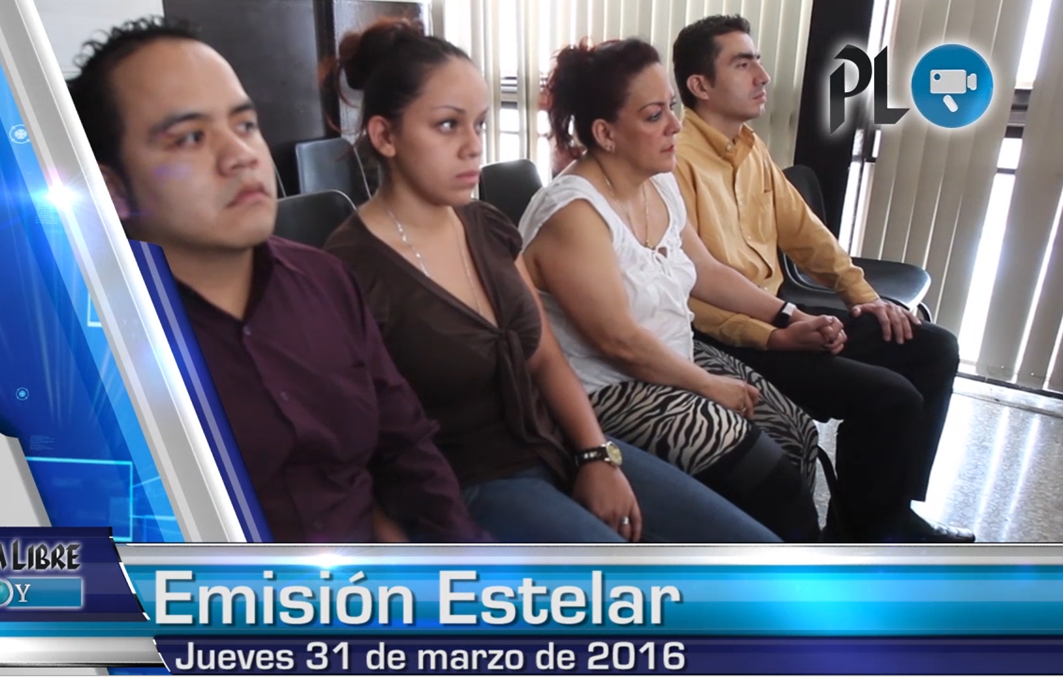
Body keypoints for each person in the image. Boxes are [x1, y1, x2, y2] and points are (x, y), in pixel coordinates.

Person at [319, 18, 780, 544]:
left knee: (757, 550)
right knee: (643, 582)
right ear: (385, 135)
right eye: (448, 125)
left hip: (555, 440)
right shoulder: (349, 269)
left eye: (479, 124)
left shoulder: (485, 226)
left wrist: (594, 455)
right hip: (471, 480)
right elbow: (343, 447)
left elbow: (544, 356)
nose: (473, 146)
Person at [65, 16, 488, 544]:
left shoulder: (325, 280)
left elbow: (407, 447)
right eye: (190, 138)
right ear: (113, 190)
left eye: (245, 125)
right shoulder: (88, 348)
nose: (241, 156)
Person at [671, 14, 973, 543]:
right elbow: (690, 287)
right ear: (700, 85)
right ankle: (867, 536)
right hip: (727, 337)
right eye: (743, 64)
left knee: (933, 348)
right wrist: (780, 329)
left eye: (758, 60)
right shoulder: (672, 161)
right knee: (891, 398)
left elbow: (806, 233)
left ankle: (885, 514)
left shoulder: (750, 148)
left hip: (778, 315)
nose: (762, 75)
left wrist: (864, 297)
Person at [518, 37, 831, 542]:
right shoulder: (574, 213)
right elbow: (618, 341)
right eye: (653, 115)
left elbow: (704, 270)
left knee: (798, 437)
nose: (676, 126)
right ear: (605, 133)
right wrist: (706, 384)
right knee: (770, 478)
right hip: (609, 389)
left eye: (671, 106)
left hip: (672, 356)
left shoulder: (656, 180)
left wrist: (788, 316)